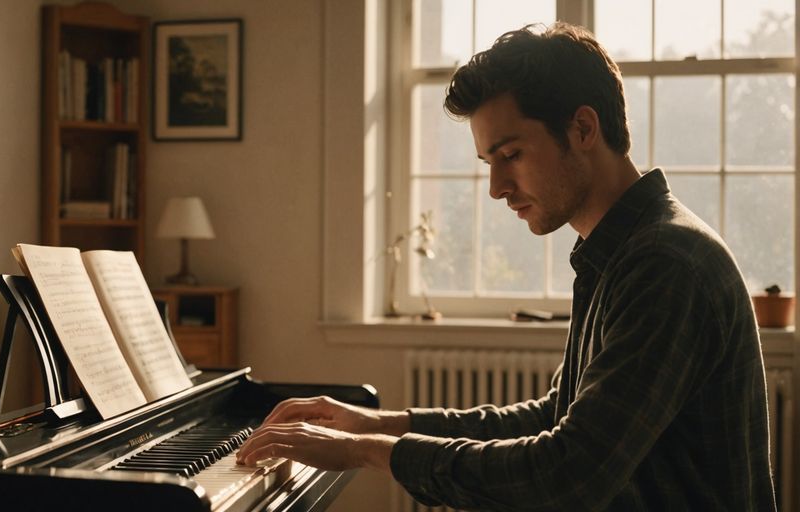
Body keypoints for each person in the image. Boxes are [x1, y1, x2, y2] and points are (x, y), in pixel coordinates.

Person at [236, 22, 776, 510]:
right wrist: (378, 423)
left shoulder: (665, 263)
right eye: (489, 163)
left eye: (510, 155)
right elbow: (554, 418)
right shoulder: (623, 252)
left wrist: (367, 451)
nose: (497, 189)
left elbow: (568, 474)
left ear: (583, 129)